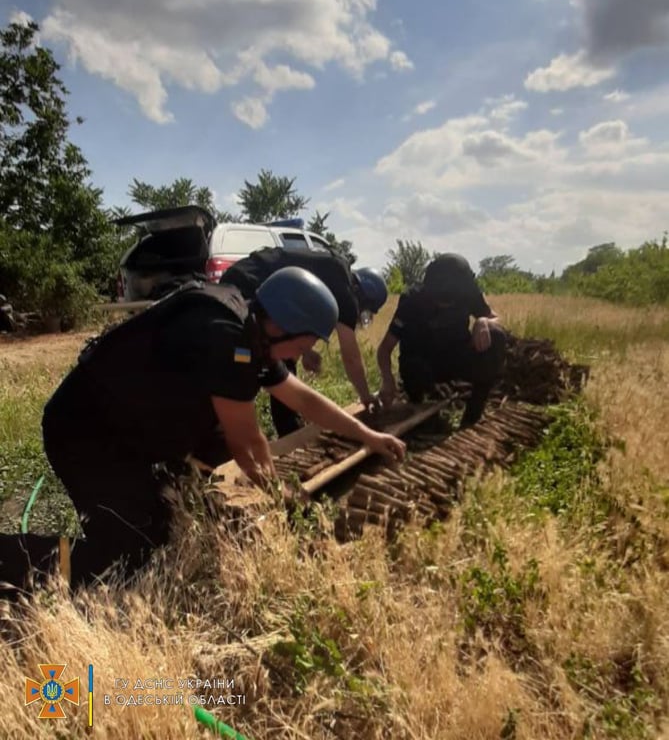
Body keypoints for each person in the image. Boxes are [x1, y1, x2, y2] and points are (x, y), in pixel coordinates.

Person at [0, 269, 405, 596]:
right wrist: (279, 502)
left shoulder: (251, 329)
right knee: (127, 558)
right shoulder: (225, 338)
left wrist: (366, 435)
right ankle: (13, 560)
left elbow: (302, 400)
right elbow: (247, 444)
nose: (302, 356)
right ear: (285, 326)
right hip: (86, 435)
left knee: (167, 519)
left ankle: (155, 492)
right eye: (305, 345)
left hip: (125, 426)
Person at [219, 246, 388, 436]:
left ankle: (285, 426)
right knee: (249, 358)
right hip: (248, 286)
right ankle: (272, 430)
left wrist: (305, 351)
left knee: (275, 359)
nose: (359, 314)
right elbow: (351, 358)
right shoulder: (346, 294)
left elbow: (295, 325)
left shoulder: (333, 273)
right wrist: (366, 397)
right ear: (363, 296)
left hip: (242, 276)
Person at [377, 253, 506, 428]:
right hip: (423, 363)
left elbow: (495, 318)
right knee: (414, 368)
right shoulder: (412, 300)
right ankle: (419, 405)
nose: (442, 305)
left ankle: (471, 416)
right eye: (438, 300)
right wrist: (387, 379)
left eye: (448, 302)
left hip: (454, 358)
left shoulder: (468, 292)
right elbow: (385, 348)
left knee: (496, 336)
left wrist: (483, 321)